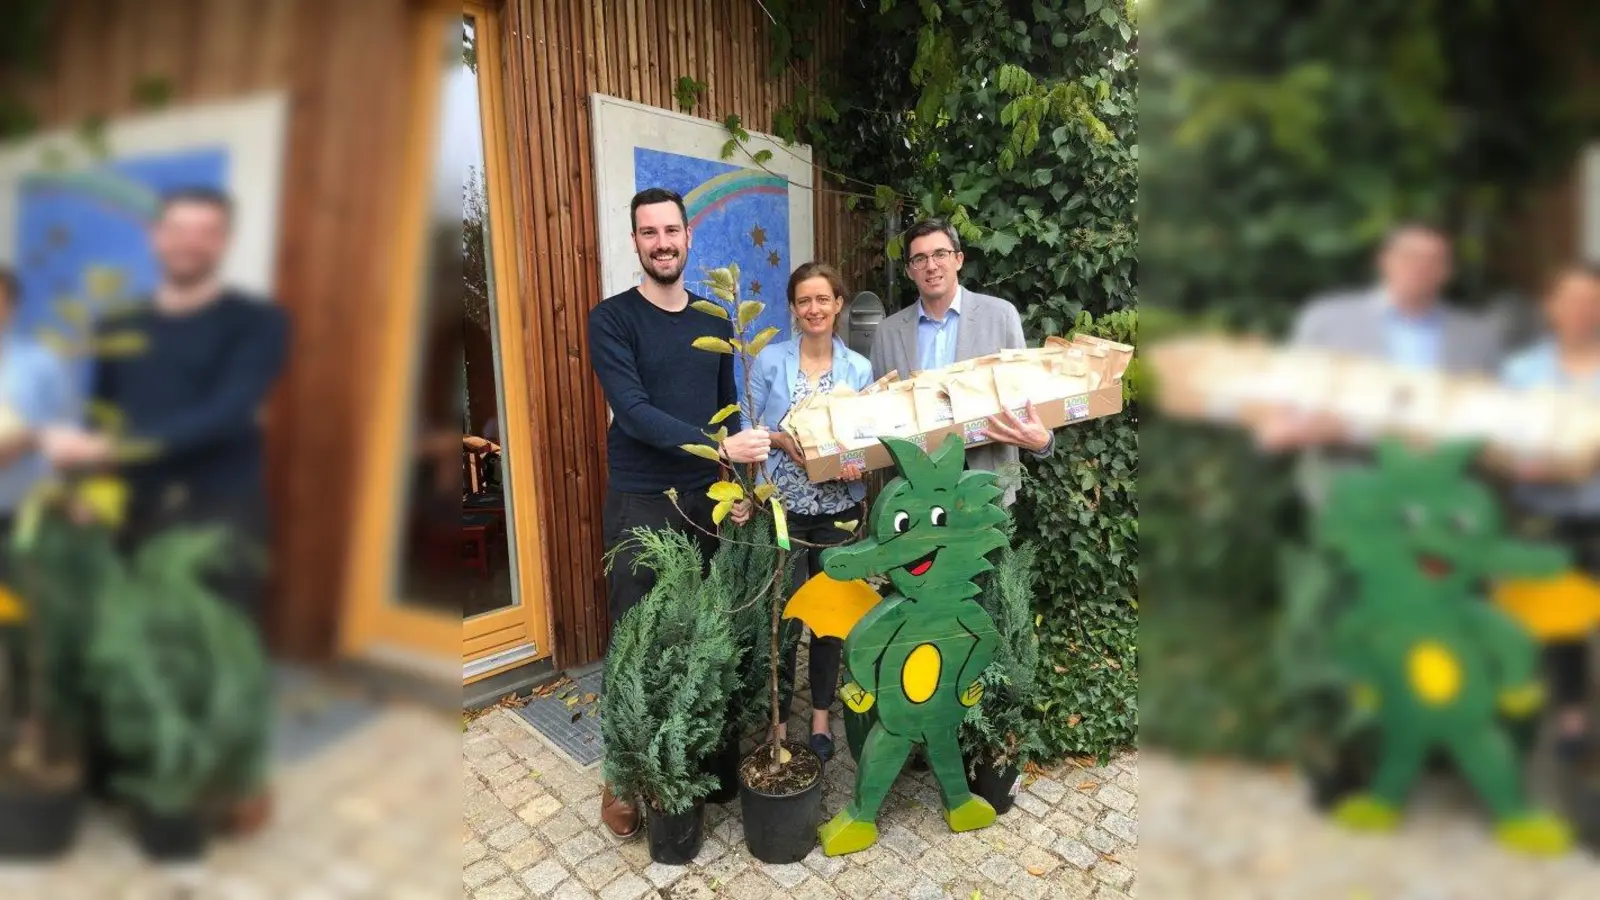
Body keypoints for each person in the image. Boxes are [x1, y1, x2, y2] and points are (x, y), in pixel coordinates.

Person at [39, 186, 290, 837]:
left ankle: (236, 782)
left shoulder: (255, 324)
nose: (189, 242)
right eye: (177, 229)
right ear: (158, 238)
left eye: (205, 231)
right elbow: (103, 416)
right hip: (135, 510)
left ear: (222, 243)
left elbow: (225, 413)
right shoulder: (120, 325)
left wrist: (111, 447)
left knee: (223, 648)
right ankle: (149, 770)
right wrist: (89, 487)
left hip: (221, 512)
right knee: (140, 643)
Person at [586, 186, 770, 838]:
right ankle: (625, 775)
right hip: (641, 501)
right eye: (649, 232)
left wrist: (739, 486)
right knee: (635, 638)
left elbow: (731, 414)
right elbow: (632, 413)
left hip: (705, 498)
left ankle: (704, 754)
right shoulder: (611, 320)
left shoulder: (717, 322)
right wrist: (719, 445)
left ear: (689, 237)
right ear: (635, 241)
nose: (662, 242)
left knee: (704, 632)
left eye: (671, 230)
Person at [1254, 222, 1505, 505]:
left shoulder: (1477, 335)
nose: (1421, 267)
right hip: (1350, 487)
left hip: (1445, 495)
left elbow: (1493, 416)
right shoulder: (1327, 321)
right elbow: (1284, 405)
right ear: (1384, 261)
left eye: (1435, 260)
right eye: (1410, 257)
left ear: (1447, 272)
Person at [747, 262, 872, 763]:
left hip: (838, 511)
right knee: (781, 615)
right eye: (804, 301)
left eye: (823, 299)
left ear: (838, 304)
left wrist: (851, 463)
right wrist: (781, 437)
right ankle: (777, 723)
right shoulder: (769, 362)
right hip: (783, 510)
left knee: (828, 617)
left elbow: (869, 440)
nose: (814, 309)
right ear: (794, 309)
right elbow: (750, 427)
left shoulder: (857, 369)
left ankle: (820, 718)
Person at [867, 218, 1054, 507]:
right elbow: (876, 414)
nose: (931, 266)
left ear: (958, 259)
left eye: (940, 254)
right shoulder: (888, 332)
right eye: (919, 258)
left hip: (985, 480)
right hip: (914, 489)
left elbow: (1027, 396)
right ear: (908, 271)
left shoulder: (1001, 317)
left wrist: (1044, 443)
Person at [1499, 262, 1600, 762]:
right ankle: (1571, 723)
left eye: (1593, 299)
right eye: (1573, 299)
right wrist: (1523, 465)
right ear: (1551, 306)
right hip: (1544, 516)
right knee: (1560, 623)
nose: (1583, 309)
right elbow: (1499, 444)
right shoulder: (1520, 372)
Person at [0, 267, 81, 544]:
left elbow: (67, 430)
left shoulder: (41, 363)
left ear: (11, 307)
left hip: (22, 513)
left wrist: (29, 438)